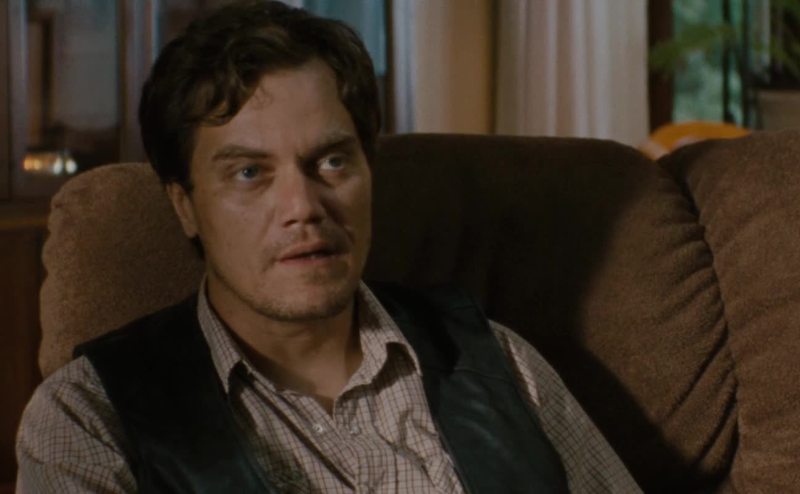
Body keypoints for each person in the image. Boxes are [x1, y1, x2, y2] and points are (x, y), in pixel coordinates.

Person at [16, 1, 641, 492]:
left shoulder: (496, 361)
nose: (304, 206)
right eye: (249, 173)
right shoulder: (89, 418)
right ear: (186, 206)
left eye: (332, 161)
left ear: (370, 171)